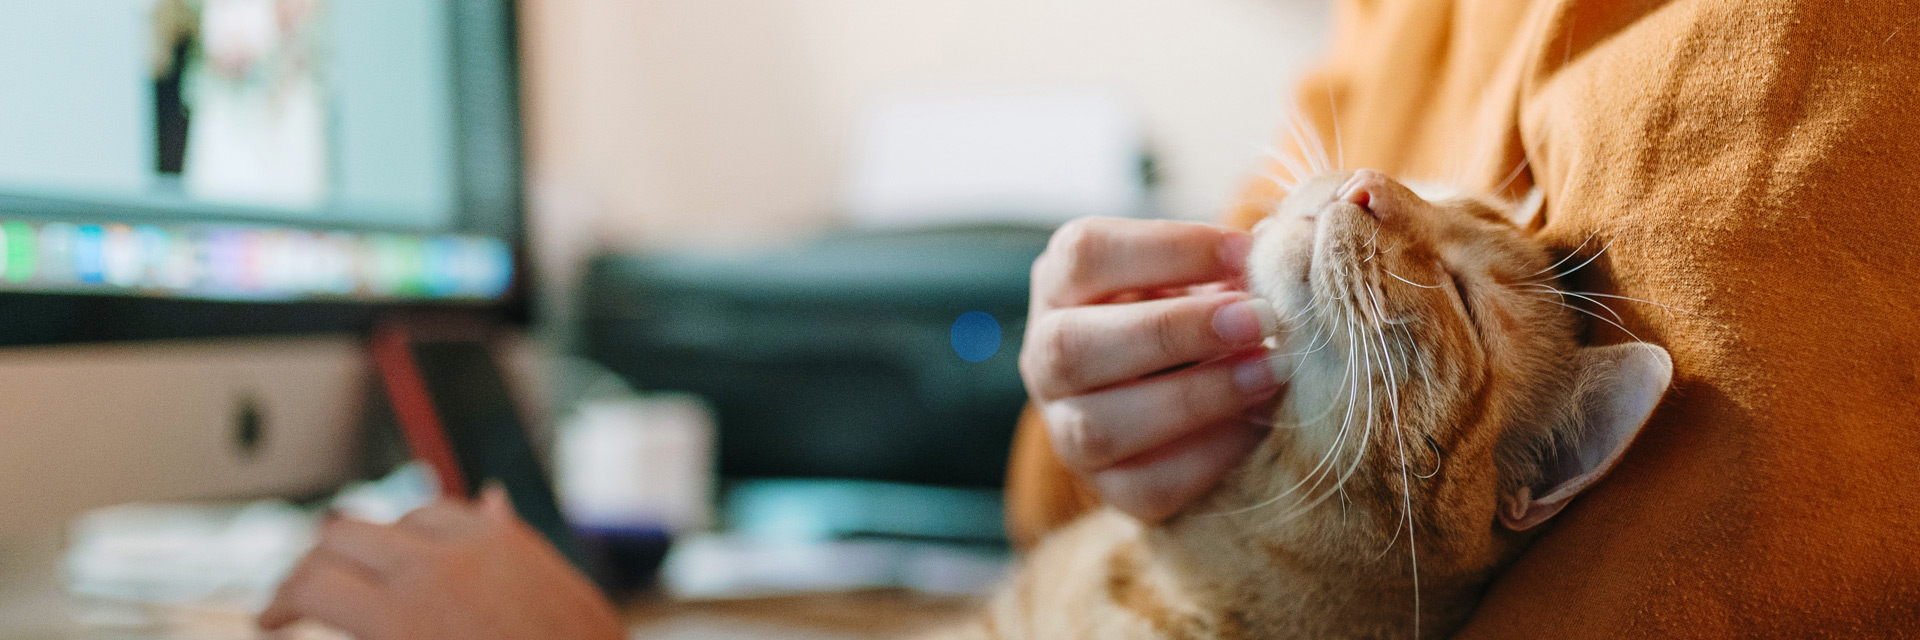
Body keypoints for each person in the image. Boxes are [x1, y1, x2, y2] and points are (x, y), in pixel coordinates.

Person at [266, 0, 1920, 636]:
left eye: (1440, 255)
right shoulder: (1393, 29)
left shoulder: (1787, 82)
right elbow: (1073, 503)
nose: (1364, 201)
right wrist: (1101, 414)